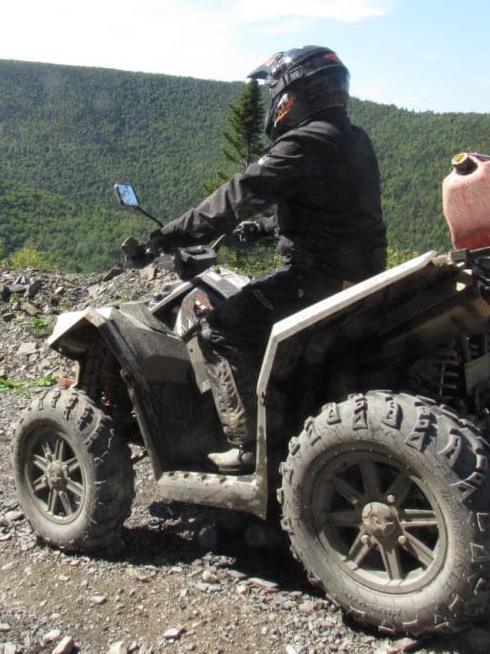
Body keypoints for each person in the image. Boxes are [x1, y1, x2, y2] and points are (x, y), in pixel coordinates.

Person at [147, 46, 388, 473]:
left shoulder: (305, 140)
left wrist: (173, 232)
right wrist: (266, 230)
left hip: (315, 279)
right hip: (361, 273)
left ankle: (249, 447)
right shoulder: (353, 139)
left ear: (291, 93)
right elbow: (337, 209)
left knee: (220, 327)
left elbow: (241, 191)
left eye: (275, 90)